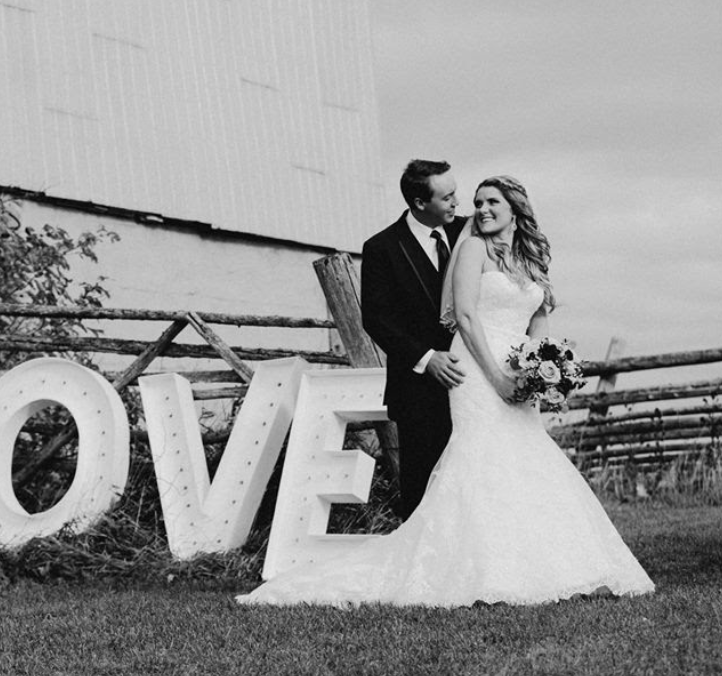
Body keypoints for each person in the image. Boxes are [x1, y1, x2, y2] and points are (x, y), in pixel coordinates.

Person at [237, 176, 655, 608]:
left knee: (526, 457)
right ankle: (481, 570)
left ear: (516, 208)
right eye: (478, 202)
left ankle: (549, 565)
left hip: (515, 368)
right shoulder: (473, 247)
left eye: (493, 201)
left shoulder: (530, 257)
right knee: (481, 455)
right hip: (476, 367)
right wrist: (495, 376)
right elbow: (467, 317)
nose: (483, 208)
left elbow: (539, 320)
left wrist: (540, 373)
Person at [359, 160, 470, 519]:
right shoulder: (382, 248)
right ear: (420, 203)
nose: (457, 202)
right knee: (423, 487)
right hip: (417, 389)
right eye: (447, 196)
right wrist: (427, 358)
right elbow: (376, 319)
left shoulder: (468, 233)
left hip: (472, 383)